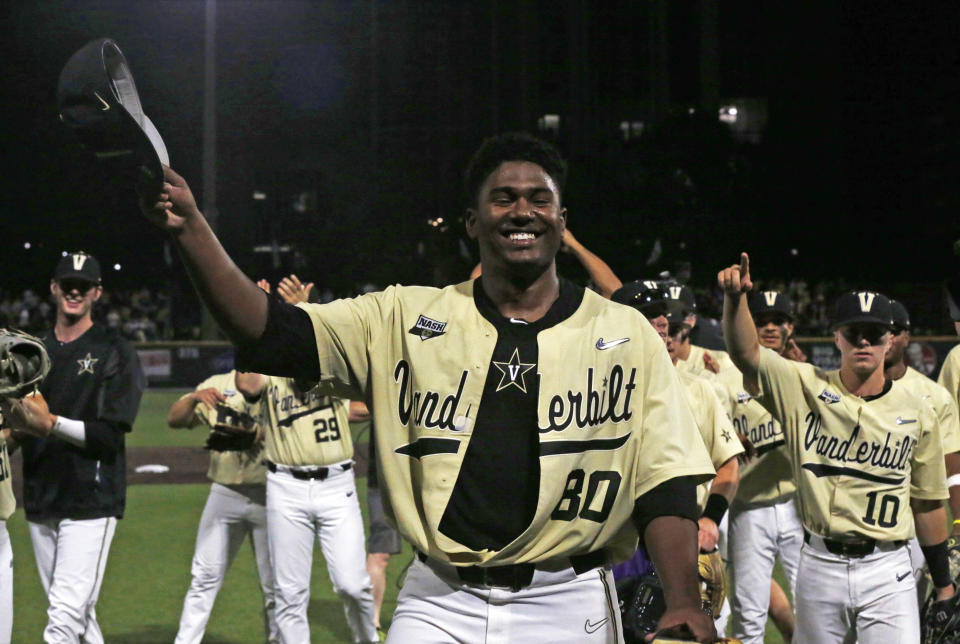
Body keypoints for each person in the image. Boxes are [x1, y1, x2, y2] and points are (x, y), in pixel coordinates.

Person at [139, 132, 719, 642]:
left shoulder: (625, 333)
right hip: (440, 599)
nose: (523, 210)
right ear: (472, 222)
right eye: (504, 197)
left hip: (568, 599)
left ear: (562, 221)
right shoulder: (401, 318)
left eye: (540, 199)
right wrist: (191, 226)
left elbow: (663, 480)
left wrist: (684, 599)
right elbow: (271, 333)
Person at [719, 252, 955, 643]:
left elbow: (928, 503)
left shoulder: (919, 411)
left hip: (889, 566)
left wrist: (943, 584)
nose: (863, 340)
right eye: (852, 331)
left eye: (875, 332)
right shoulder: (803, 385)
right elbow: (746, 354)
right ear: (836, 337)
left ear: (890, 339)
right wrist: (735, 300)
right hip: (818, 564)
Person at [1, 251, 144, 642]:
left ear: (97, 292)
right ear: (54, 288)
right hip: (42, 497)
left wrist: (49, 425)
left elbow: (110, 436)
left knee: (62, 622)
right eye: (68, 285)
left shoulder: (116, 350)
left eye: (83, 286)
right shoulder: (32, 352)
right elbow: (19, 426)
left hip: (91, 502)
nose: (75, 292)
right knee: (78, 619)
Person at [252, 276, 378, 644]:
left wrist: (305, 311)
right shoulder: (270, 367)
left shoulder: (330, 366)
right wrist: (259, 317)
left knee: (353, 586)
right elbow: (246, 385)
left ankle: (366, 640)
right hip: (285, 487)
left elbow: (331, 342)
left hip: (337, 485)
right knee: (290, 596)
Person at [611, 281, 742, 630]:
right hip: (614, 546)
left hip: (680, 541)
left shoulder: (699, 390)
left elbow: (728, 463)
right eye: (648, 316)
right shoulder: (594, 389)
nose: (660, 324)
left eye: (661, 317)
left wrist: (711, 518)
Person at [166, 369, 278, 644]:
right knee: (204, 577)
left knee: (276, 587)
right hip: (225, 493)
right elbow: (175, 420)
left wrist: (257, 433)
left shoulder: (281, 382)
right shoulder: (217, 385)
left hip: (272, 495)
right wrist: (193, 398)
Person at [724, 290, 804, 644]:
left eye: (778, 320)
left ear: (790, 327)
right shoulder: (725, 370)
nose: (770, 327)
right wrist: (727, 436)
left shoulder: (806, 375)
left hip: (800, 507)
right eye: (762, 320)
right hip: (748, 507)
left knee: (815, 605)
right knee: (749, 613)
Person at [883, 299, 960, 580]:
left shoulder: (932, 395)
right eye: (879, 330)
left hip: (917, 523)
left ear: (907, 336)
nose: (887, 337)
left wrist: (959, 521)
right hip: (853, 524)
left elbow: (951, 462)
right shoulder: (842, 392)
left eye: (895, 330)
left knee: (914, 618)